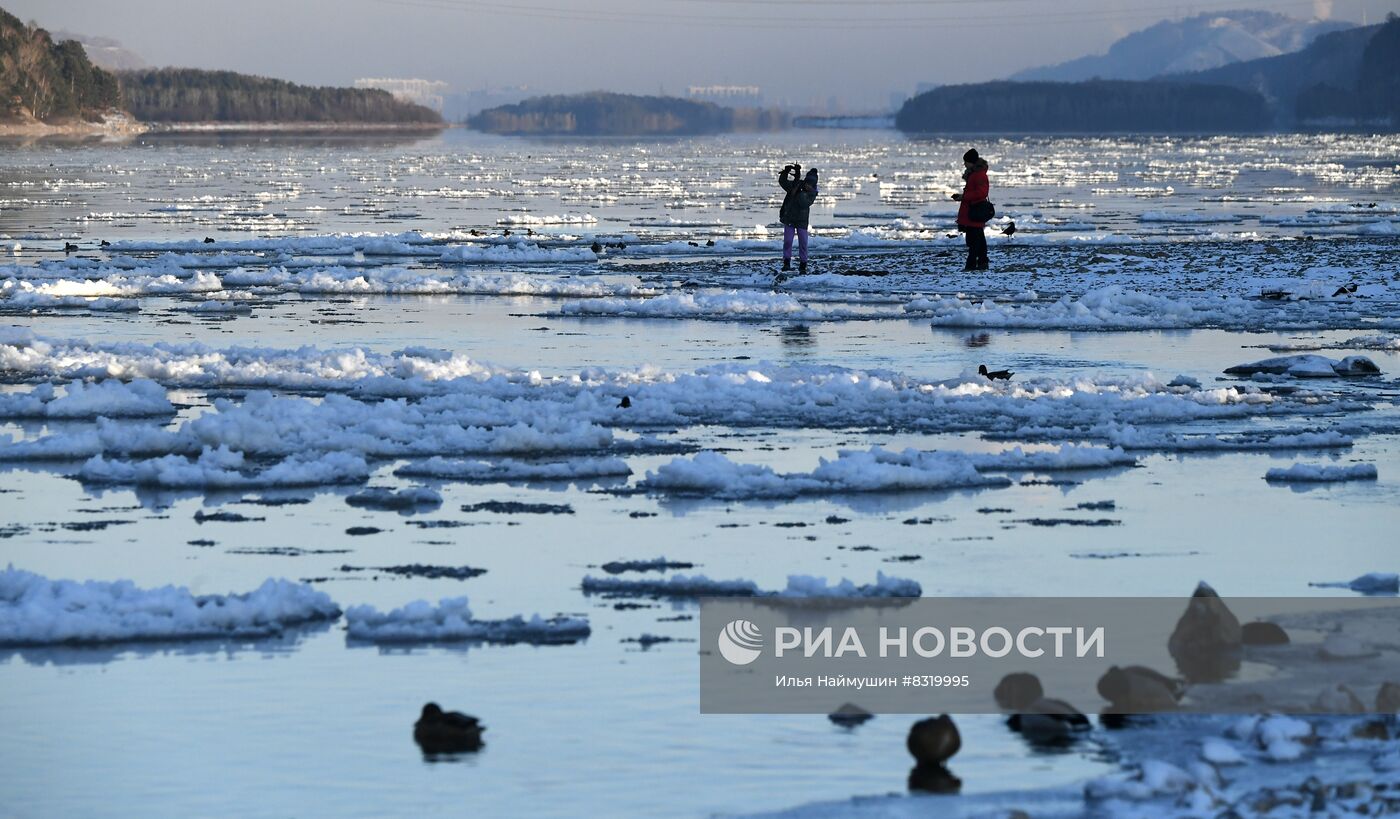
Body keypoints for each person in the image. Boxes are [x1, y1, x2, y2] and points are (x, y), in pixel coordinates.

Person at [951, 148, 990, 271]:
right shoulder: (975, 174)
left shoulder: (979, 175)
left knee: (974, 241)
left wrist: (964, 197)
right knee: (978, 240)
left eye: (966, 161)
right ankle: (982, 263)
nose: (964, 164)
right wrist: (962, 197)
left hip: (975, 212)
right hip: (972, 212)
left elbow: (981, 193)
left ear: (971, 162)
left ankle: (971, 265)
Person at [778, 163, 819, 276]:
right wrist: (786, 173)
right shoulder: (797, 185)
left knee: (803, 243)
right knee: (787, 241)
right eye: (808, 182)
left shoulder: (812, 193)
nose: (808, 185)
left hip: (802, 221)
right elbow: (784, 183)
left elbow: (804, 203)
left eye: (811, 183)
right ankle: (786, 263)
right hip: (790, 218)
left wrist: (800, 191)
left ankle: (803, 264)